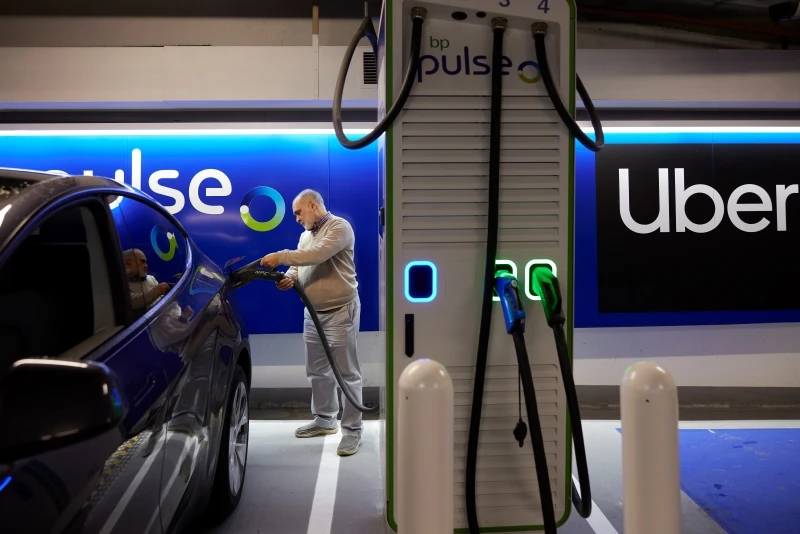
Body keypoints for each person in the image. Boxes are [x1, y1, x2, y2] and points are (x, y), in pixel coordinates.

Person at [260, 189, 363, 457]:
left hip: (340, 311)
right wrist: (289, 277)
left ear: (312, 204)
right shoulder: (305, 236)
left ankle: (352, 431)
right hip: (313, 313)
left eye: (298, 212)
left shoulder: (339, 227)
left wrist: (281, 256)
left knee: (346, 374)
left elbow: (318, 255)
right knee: (317, 371)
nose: (296, 218)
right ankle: (325, 420)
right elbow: (300, 265)